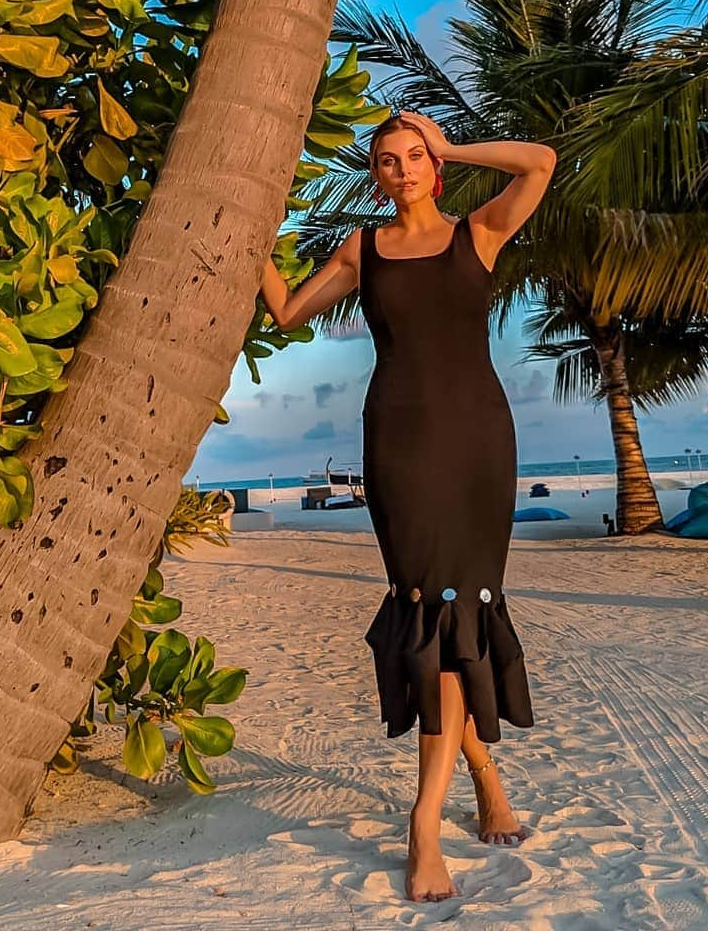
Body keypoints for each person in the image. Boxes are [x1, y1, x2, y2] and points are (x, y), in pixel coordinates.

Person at [259, 109, 556, 903]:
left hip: (477, 445)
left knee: (460, 609)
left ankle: (436, 813)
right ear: (375, 175)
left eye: (415, 156)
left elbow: (539, 160)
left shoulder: (478, 233)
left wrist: (454, 139)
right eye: (387, 161)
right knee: (431, 608)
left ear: (436, 164)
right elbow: (287, 312)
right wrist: (251, 231)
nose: (402, 169)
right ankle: (465, 795)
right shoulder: (364, 249)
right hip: (399, 445)